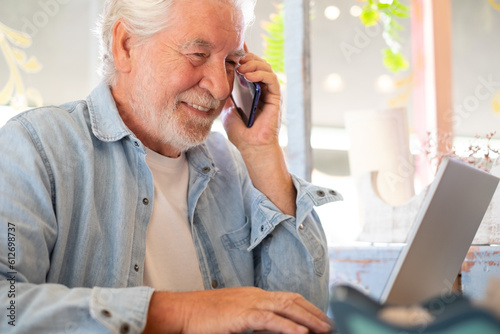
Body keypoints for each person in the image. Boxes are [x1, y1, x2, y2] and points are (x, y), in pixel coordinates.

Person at [0, 0, 341, 333]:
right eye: (198, 55)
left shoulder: (234, 167)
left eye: (230, 61)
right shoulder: (35, 147)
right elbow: (8, 307)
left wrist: (262, 151)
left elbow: (302, 316)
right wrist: (186, 313)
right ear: (126, 45)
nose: (221, 87)